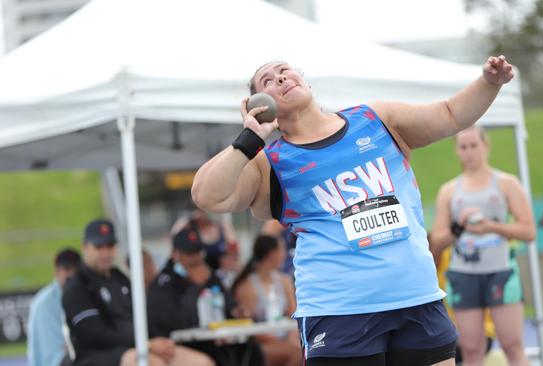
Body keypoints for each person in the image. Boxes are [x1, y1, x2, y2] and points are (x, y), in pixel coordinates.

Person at [192, 55, 514, 366]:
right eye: (268, 80)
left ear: (303, 79)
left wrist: (488, 83)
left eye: (285, 70)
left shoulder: (375, 118)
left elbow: (450, 114)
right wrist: (249, 138)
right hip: (339, 312)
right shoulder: (270, 162)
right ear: (260, 103)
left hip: (416, 298)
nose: (280, 78)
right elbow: (208, 196)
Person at [429, 127, 536, 366]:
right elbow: (437, 241)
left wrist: (492, 227)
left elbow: (528, 231)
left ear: (485, 146)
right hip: (464, 275)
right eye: (463, 147)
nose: (469, 152)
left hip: (501, 273)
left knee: (512, 346)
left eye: (473, 145)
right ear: (457, 151)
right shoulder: (448, 191)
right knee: (472, 350)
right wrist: (459, 227)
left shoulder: (507, 183)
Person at [62, 219, 214, 366]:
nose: (105, 253)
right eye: (99, 247)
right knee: (153, 363)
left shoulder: (118, 278)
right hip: (99, 356)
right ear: (85, 247)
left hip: (139, 346)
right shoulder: (77, 286)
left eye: (110, 246)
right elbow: (95, 335)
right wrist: (146, 344)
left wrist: (158, 340)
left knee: (202, 363)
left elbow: (142, 317)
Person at [147, 225, 265, 366]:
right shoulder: (164, 283)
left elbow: (227, 303)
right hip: (182, 344)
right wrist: (194, 286)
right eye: (190, 253)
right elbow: (173, 323)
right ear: (176, 254)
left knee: (253, 352)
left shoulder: (207, 273)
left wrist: (237, 311)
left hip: (214, 339)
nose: (196, 258)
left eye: (198, 252)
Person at [232, 234, 302, 366]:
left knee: (302, 350)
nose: (284, 254)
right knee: (297, 353)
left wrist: (291, 337)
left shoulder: (284, 280)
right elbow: (248, 325)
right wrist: (281, 341)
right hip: (260, 344)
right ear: (271, 254)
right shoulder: (246, 286)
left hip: (286, 339)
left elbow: (293, 314)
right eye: (281, 249)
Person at [28, 248, 81, 366]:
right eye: (67, 269)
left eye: (75, 269)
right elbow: (54, 354)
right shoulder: (45, 303)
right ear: (56, 272)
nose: (71, 274)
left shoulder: (81, 295)